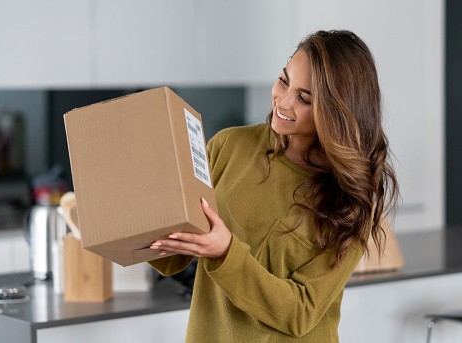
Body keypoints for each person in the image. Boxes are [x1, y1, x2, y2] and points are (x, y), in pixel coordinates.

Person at [149, 29, 399, 342]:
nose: (282, 100)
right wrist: (145, 207)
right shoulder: (228, 146)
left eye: (304, 98)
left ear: (337, 112)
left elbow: (301, 312)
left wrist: (226, 253)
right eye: (283, 80)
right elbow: (172, 259)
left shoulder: (348, 197)